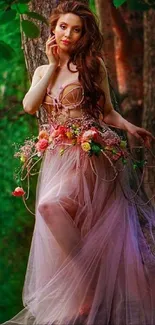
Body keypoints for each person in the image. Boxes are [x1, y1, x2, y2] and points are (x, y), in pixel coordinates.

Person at [3, 1, 155, 325]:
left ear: (84, 33)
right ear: (53, 28)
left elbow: (107, 111)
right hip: (57, 156)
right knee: (63, 217)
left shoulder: (92, 65)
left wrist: (129, 127)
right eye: (62, 27)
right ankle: (94, 283)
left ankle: (87, 287)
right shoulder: (44, 71)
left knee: (49, 207)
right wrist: (52, 66)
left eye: (76, 29)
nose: (68, 34)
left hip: (89, 153)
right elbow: (31, 105)